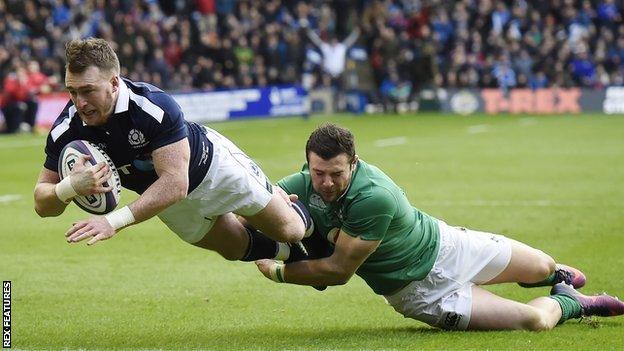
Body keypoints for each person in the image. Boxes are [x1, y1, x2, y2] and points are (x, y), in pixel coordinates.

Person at [255, 123, 624, 331]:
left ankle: (551, 276)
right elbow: (260, 200)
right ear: (307, 166)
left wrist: (278, 272)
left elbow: (337, 272)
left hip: (447, 246)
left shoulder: (374, 196)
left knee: (543, 264)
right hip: (421, 293)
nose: (326, 183)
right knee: (535, 320)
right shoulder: (302, 183)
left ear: (354, 163)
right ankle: (569, 303)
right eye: (318, 173)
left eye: (336, 173)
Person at [33, 38, 313, 264]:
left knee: (289, 230)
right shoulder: (66, 129)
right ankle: (295, 256)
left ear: (115, 83)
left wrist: (112, 222)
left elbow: (176, 183)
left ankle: (309, 220)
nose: (79, 102)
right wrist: (70, 186)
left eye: (88, 91)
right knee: (233, 248)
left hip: (212, 170)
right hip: (163, 200)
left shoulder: (153, 107)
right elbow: (41, 203)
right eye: (72, 91)